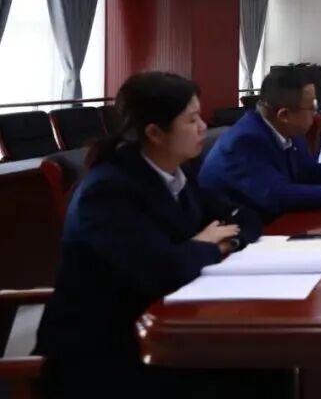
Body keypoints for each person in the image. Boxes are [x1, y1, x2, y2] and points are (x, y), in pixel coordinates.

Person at [36, 72, 262, 399]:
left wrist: (224, 241)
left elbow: (245, 216)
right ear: (155, 133)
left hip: (163, 329)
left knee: (266, 364)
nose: (203, 127)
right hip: (104, 355)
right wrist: (210, 245)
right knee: (255, 373)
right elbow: (161, 270)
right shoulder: (108, 191)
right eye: (191, 120)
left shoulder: (177, 173)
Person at [199, 66, 321, 221]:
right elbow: (276, 194)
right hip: (236, 231)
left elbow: (310, 171)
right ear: (284, 115)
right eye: (311, 107)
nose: (316, 113)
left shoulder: (290, 130)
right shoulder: (245, 141)